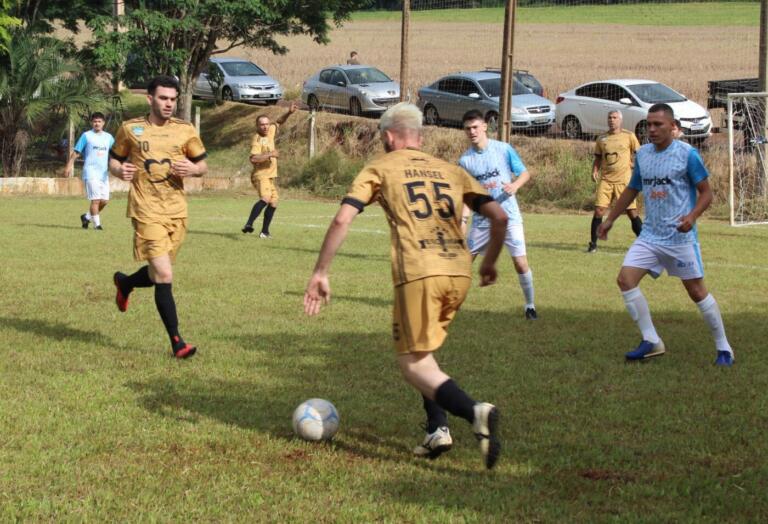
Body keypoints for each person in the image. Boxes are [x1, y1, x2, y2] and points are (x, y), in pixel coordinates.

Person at [303, 103, 508, 469]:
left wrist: (321, 271)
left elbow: (341, 220)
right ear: (421, 137)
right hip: (458, 272)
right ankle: (437, 429)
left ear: (387, 137)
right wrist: (489, 262)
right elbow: (499, 216)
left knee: (411, 365)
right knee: (423, 352)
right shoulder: (452, 170)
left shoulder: (380, 166)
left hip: (419, 271)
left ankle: (476, 412)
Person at [597, 103, 734, 367]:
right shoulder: (645, 154)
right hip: (650, 236)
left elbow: (706, 193)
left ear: (673, 127)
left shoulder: (687, 154)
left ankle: (724, 347)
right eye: (648, 124)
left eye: (658, 124)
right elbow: (631, 189)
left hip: (680, 238)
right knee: (625, 280)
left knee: (696, 292)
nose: (651, 129)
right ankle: (652, 341)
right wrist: (610, 219)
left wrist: (691, 217)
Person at [109, 75, 208, 359]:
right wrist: (119, 171)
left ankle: (126, 283)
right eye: (163, 98)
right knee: (164, 274)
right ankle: (178, 342)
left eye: (173, 99)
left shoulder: (185, 130)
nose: (169, 104)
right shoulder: (131, 129)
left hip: (176, 211)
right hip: (145, 209)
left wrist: (191, 169)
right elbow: (115, 159)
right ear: (150, 99)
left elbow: (203, 166)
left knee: (156, 274)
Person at [459, 110, 538, 320]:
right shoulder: (465, 161)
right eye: (468, 129)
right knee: (464, 262)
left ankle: (530, 306)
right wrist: (464, 219)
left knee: (520, 263)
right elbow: (468, 195)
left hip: (509, 215)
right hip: (483, 220)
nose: (472, 132)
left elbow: (525, 173)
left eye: (475, 127)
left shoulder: (503, 149)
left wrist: (515, 185)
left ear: (485, 126)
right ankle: (450, 303)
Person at [587, 110, 642, 253]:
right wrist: (595, 170)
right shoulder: (602, 139)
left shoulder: (629, 136)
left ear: (620, 120)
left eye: (615, 118)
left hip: (624, 180)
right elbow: (598, 158)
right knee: (599, 211)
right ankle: (593, 245)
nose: (612, 120)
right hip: (606, 180)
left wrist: (636, 166)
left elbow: (640, 155)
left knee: (632, 212)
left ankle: (644, 244)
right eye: (610, 118)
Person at [241, 102, 298, 238]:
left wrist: (289, 112)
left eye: (267, 124)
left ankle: (265, 232)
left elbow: (279, 122)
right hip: (260, 175)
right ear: (257, 126)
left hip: (270, 176)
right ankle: (248, 224)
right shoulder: (257, 140)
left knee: (274, 202)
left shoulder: (270, 131)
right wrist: (270, 154)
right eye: (262, 124)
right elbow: (253, 158)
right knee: (266, 198)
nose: (265, 126)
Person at [64, 112, 114, 230]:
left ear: (103, 123)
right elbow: (76, 152)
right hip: (90, 172)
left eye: (99, 121)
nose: (97, 123)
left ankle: (86, 217)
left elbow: (114, 153)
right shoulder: (86, 136)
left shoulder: (109, 137)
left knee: (105, 201)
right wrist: (68, 166)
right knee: (95, 200)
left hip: (103, 174)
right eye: (95, 121)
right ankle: (98, 225)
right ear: (92, 123)